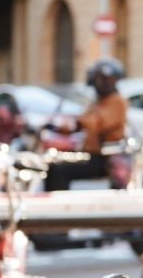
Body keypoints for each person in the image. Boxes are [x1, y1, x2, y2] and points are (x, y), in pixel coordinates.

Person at [43, 57, 129, 191]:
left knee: (60, 170)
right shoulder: (98, 102)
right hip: (90, 154)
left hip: (104, 159)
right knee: (52, 165)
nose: (97, 83)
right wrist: (56, 127)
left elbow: (97, 123)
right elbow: (80, 123)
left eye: (100, 79)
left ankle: (60, 205)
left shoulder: (117, 102)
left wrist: (80, 122)